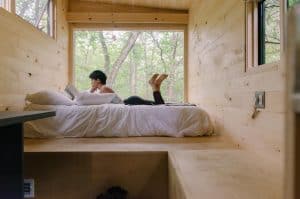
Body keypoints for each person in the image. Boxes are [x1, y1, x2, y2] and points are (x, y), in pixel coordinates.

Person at [89, 70, 168, 105]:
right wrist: (92, 90)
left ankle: (155, 85)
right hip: (131, 101)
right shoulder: (103, 89)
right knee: (159, 104)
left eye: (92, 80)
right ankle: (156, 86)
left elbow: (91, 100)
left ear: (98, 80)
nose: (91, 82)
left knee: (160, 105)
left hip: (131, 102)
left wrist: (92, 90)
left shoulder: (104, 89)